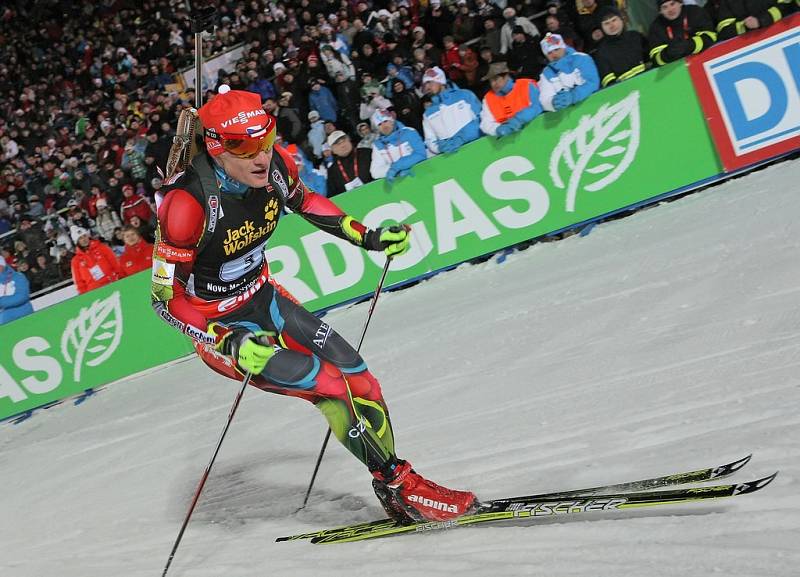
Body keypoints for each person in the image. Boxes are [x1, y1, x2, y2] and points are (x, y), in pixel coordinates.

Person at [150, 86, 475, 523]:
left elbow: (305, 200)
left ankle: (390, 483)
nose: (260, 157)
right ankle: (402, 483)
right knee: (330, 386)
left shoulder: (273, 165)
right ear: (215, 147)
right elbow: (163, 299)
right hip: (224, 328)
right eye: (244, 147)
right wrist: (224, 340)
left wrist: (368, 236)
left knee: (360, 379)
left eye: (264, 139)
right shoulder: (186, 205)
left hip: (265, 298)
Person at [421, 66, 482, 155]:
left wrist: (462, 137)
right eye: (425, 84)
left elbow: (481, 118)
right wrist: (440, 147)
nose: (427, 87)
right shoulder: (428, 113)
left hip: (477, 148)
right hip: (451, 158)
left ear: (440, 81)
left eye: (429, 82)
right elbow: (430, 140)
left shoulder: (464, 95)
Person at [538, 33, 600, 113]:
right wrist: (553, 102)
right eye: (549, 53)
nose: (554, 54)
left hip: (594, 106)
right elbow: (544, 97)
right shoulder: (546, 73)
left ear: (563, 47)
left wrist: (574, 95)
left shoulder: (582, 58)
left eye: (556, 49)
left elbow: (592, 82)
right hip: (568, 115)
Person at [479, 62, 543, 137]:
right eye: (491, 81)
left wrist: (518, 119)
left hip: (537, 132)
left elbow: (538, 106)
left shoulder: (527, 84)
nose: (493, 84)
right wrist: (497, 129)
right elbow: (485, 123)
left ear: (506, 76)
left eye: (496, 79)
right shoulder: (487, 99)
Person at [648, 0, 716, 67]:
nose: (670, 10)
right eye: (665, 7)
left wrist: (689, 45)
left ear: (680, 3)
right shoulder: (656, 27)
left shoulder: (694, 12)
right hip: (678, 71)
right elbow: (655, 59)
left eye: (672, 4)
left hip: (707, 61)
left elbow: (711, 37)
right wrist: (668, 54)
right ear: (660, 11)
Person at [594, 6, 650, 88]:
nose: (611, 25)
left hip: (650, 83)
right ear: (601, 28)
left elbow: (652, 61)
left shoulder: (636, 37)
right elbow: (609, 83)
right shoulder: (601, 52)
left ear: (621, 19)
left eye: (614, 20)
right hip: (628, 94)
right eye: (606, 23)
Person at [369, 109, 427, 183]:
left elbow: (421, 154)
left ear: (391, 121)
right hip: (399, 183)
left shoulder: (409, 132)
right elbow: (375, 172)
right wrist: (395, 170)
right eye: (379, 124)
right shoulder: (377, 145)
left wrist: (398, 166)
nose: (384, 126)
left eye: (385, 121)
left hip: (421, 175)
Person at [69, 226, 122, 294]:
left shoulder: (102, 247)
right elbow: (78, 282)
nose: (84, 239)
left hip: (112, 283)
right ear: (76, 242)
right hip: (94, 292)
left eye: (84, 236)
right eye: (80, 238)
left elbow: (115, 263)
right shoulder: (75, 261)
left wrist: (120, 277)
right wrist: (84, 295)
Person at [714, 0, 794, 41]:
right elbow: (724, 31)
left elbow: (787, 5)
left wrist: (761, 20)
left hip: (788, 36)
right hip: (755, 46)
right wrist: (745, 26)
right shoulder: (727, 2)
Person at [326, 130, 374, 197]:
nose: (343, 145)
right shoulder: (332, 170)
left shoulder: (367, 153)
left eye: (344, 141)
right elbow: (333, 195)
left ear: (349, 140)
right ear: (333, 150)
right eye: (338, 144)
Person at [0, 254, 35, 325]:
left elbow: (22, 296)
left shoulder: (18, 277)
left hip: (24, 314)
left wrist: (1, 302)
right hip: (5, 320)